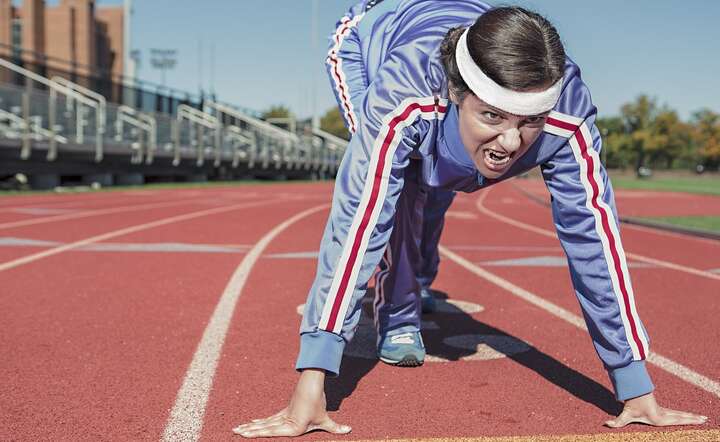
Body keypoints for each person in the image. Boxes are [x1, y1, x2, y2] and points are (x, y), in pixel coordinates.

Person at [233, 0, 708, 437]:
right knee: (399, 191)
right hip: (368, 42)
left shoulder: (568, 114)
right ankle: (398, 313)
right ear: (460, 94)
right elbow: (358, 221)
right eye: (493, 117)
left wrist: (635, 385)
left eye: (529, 122)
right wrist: (311, 383)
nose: (509, 142)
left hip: (456, 55)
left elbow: (595, 242)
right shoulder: (405, 93)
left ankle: (418, 275)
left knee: (442, 182)